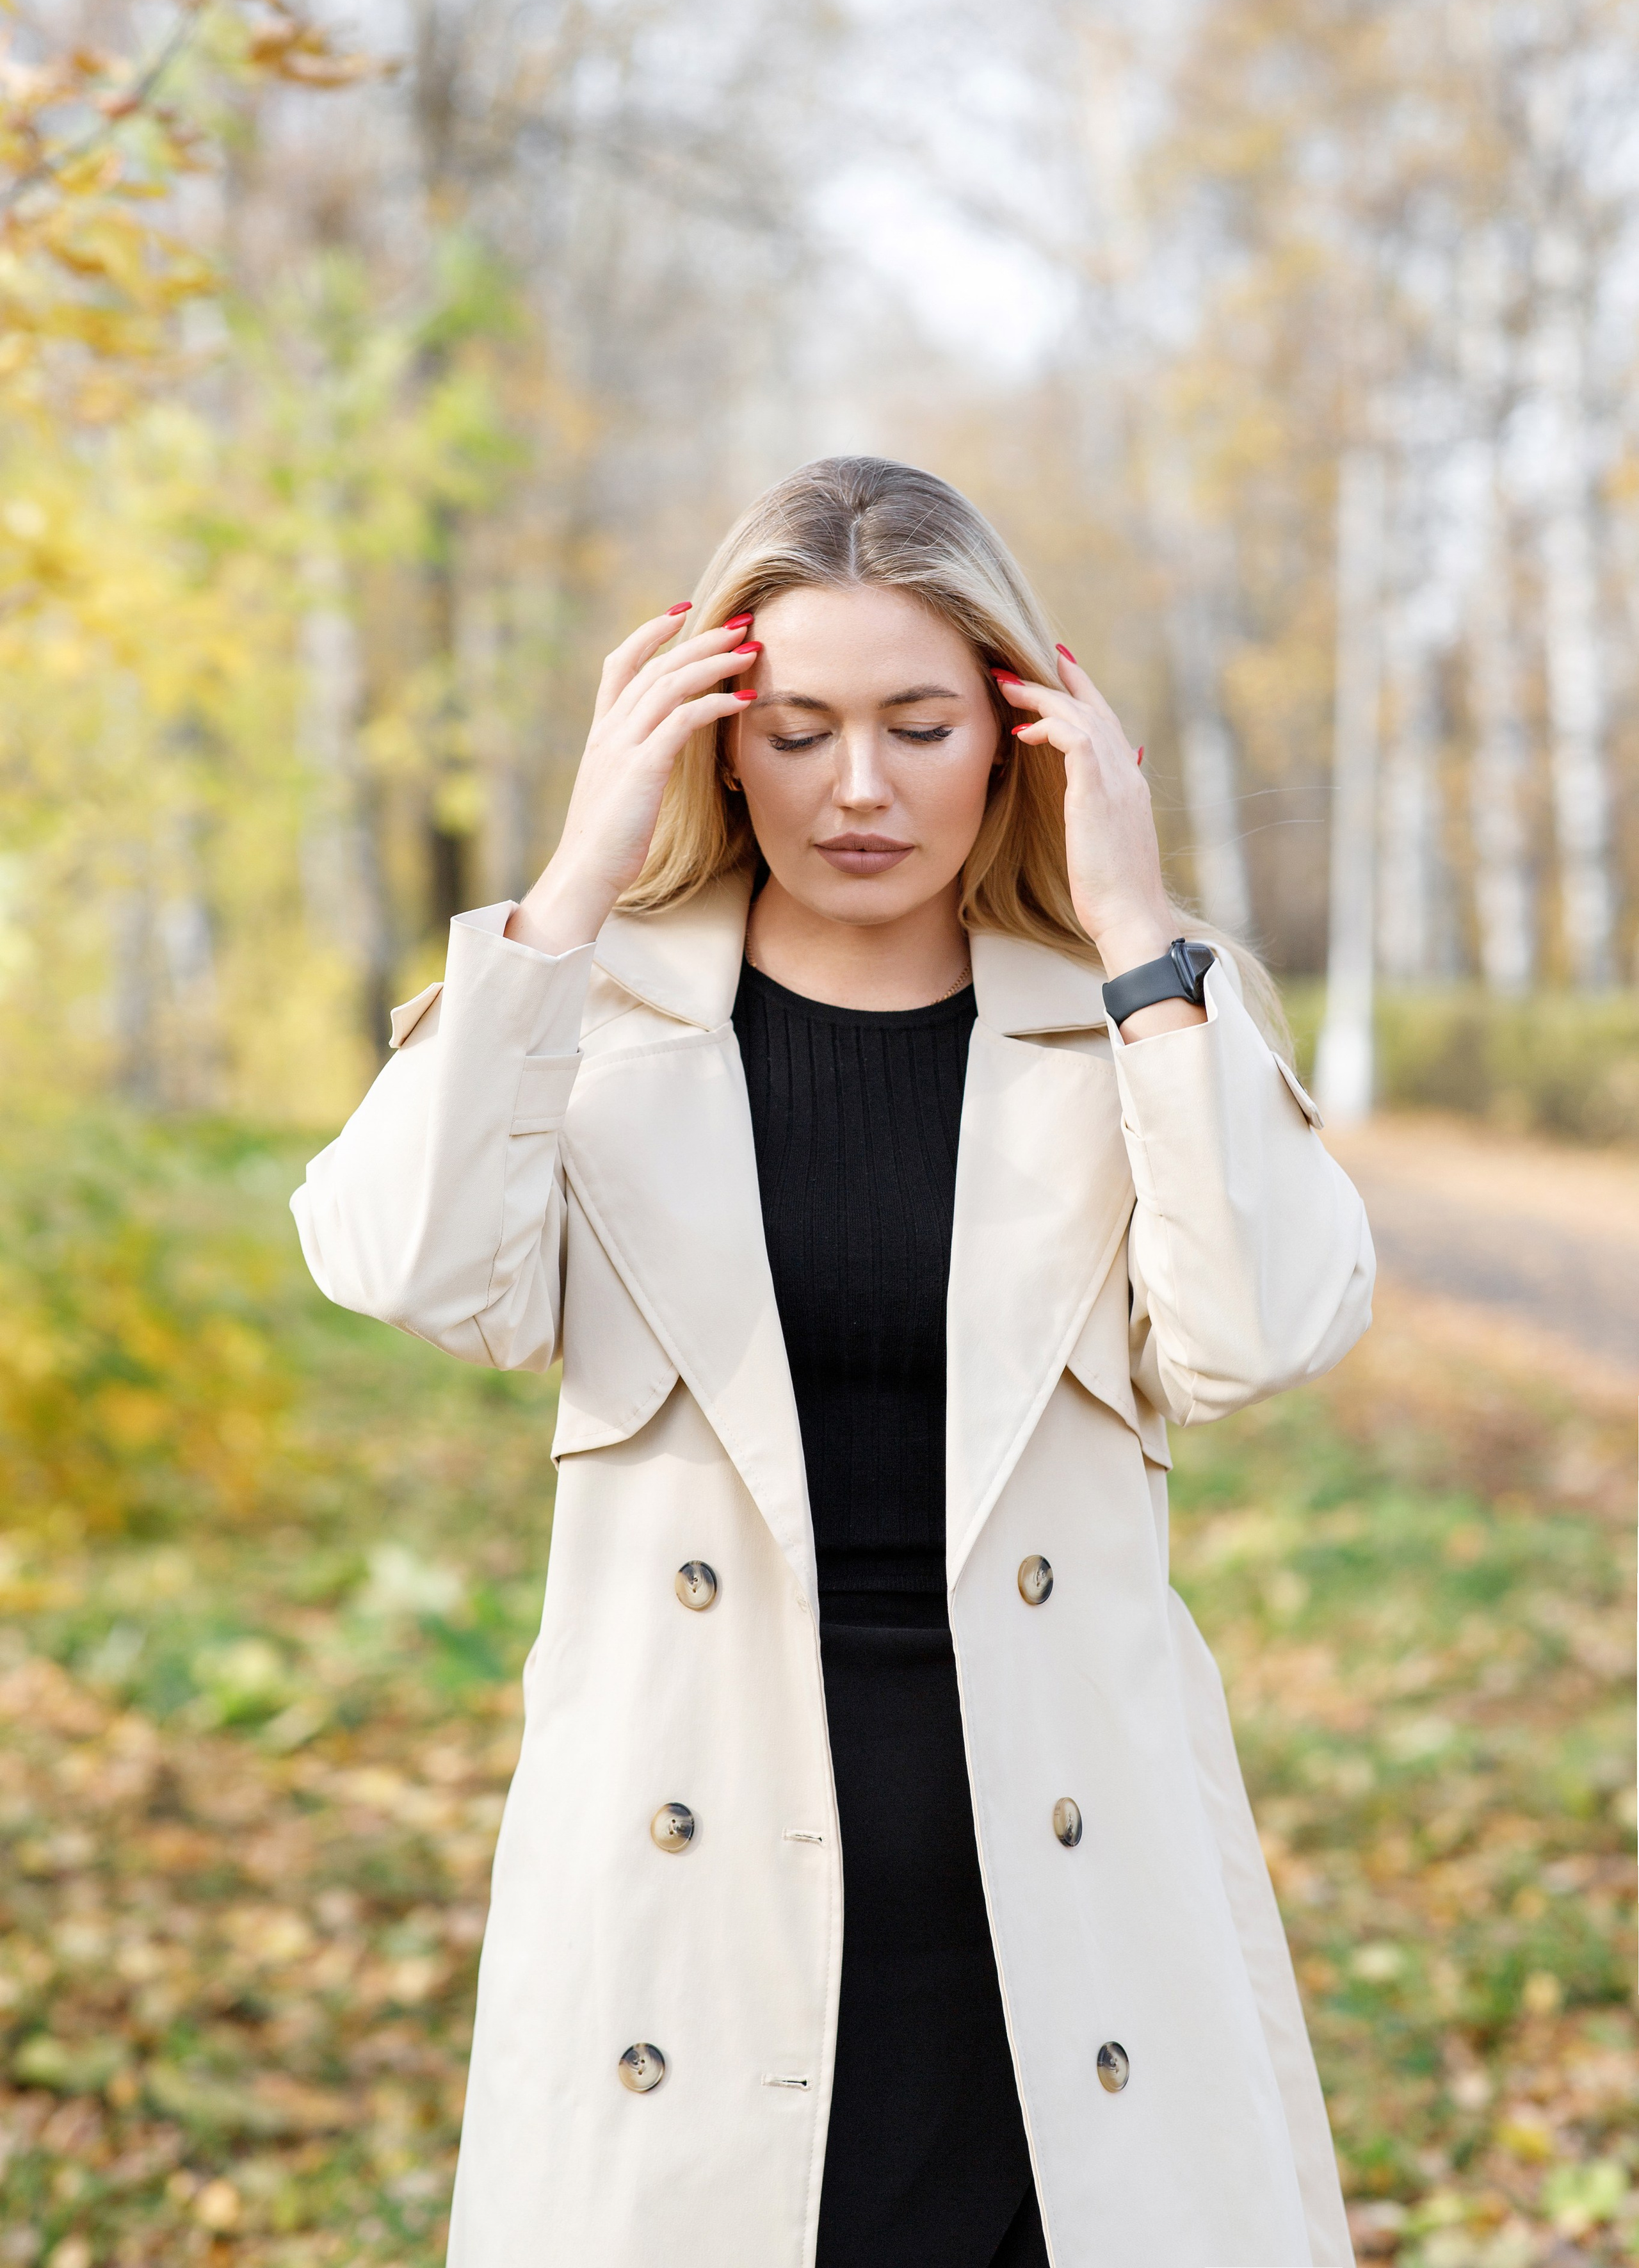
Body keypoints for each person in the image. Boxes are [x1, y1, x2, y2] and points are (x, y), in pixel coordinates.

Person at [292, 455, 1374, 2268]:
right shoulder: (596, 1014)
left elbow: (1258, 1335)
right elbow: (404, 1265)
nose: (858, 787)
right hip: (685, 1908)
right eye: (796, 732)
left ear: (1017, 733)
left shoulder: (1135, 1017)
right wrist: (567, 887)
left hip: (1069, 1901)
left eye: (919, 726)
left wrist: (1136, 936)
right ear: (716, 744)